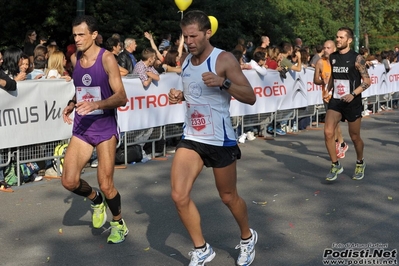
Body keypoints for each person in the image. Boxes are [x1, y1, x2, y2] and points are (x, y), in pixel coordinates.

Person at [168, 10, 258, 266]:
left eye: (194, 36)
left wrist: (223, 83)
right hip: (192, 137)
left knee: (228, 197)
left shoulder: (224, 59)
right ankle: (202, 248)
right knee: (179, 195)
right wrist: (180, 96)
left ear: (208, 33)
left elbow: (250, 96)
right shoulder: (185, 60)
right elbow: (194, 93)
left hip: (220, 140)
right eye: (186, 37)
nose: (189, 42)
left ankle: (247, 237)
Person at [61, 15, 129, 244]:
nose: (77, 39)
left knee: (107, 183)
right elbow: (82, 88)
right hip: (82, 126)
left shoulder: (107, 59)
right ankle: (95, 199)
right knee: (69, 181)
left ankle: (118, 223)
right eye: (75, 35)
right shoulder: (74, 58)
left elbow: (121, 97)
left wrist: (97, 104)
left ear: (94, 35)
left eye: (82, 34)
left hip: (104, 127)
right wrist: (72, 103)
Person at [324, 27, 371, 181]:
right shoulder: (333, 57)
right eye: (337, 37)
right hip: (336, 101)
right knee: (328, 132)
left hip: (352, 102)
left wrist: (353, 94)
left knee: (355, 136)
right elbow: (333, 76)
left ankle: (360, 162)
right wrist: (328, 90)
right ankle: (335, 165)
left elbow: (367, 81)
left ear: (349, 40)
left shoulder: (357, 58)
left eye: (341, 37)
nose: (338, 40)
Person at [313, 40, 348, 159]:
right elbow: (315, 80)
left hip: (339, 96)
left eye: (328, 48)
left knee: (335, 123)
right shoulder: (320, 62)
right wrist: (323, 81)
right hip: (327, 97)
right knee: (332, 124)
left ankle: (340, 143)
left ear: (333, 49)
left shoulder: (339, 61)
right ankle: (340, 144)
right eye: (324, 48)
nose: (326, 50)